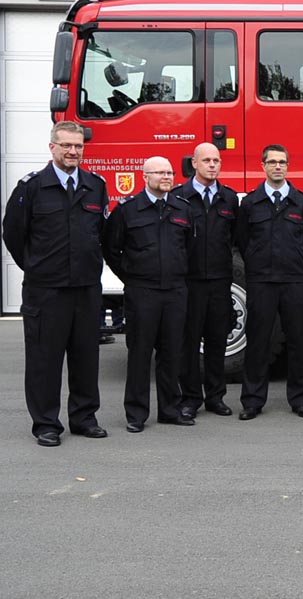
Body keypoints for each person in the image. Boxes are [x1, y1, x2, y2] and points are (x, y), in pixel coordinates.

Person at [3, 122, 109, 447]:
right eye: (66, 145)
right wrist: (37, 267)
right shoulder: (32, 187)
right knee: (44, 360)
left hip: (86, 289)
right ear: (52, 147)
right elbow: (13, 234)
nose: (72, 151)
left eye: (78, 146)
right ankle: (46, 423)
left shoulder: (95, 186)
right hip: (46, 291)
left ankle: (84, 417)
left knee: (86, 357)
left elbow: (102, 234)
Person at [102, 156, 194, 432]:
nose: (166, 177)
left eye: (169, 172)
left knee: (171, 353)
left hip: (175, 291)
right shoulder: (128, 210)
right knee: (140, 353)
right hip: (142, 292)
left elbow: (188, 246)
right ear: (145, 176)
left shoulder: (182, 208)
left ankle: (170, 410)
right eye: (160, 173)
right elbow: (111, 248)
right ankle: (136, 414)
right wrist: (131, 276)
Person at [235, 145, 303, 420]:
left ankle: (301, 400)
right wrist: (258, 262)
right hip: (261, 281)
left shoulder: (301, 202)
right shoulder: (250, 203)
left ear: (288, 166)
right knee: (258, 342)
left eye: (282, 162)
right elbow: (243, 240)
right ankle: (252, 401)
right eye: (272, 162)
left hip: (292, 280)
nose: (277, 166)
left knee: (297, 342)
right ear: (263, 166)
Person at [175, 142, 239, 419]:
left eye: (216, 160)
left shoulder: (228, 197)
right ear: (194, 164)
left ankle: (215, 397)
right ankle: (190, 398)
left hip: (220, 280)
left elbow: (236, 239)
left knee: (217, 341)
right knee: (188, 343)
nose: (213, 165)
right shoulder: (179, 197)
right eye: (207, 161)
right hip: (190, 282)